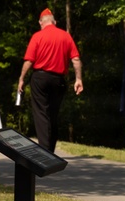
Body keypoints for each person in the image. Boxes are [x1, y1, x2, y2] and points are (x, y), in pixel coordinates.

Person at [17, 8, 83, 152]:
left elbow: (29, 61)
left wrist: (21, 79)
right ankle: (50, 150)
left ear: (41, 22)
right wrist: (78, 79)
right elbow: (76, 59)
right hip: (58, 80)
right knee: (53, 114)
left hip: (40, 78)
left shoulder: (37, 36)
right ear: (54, 22)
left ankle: (44, 151)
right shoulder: (65, 36)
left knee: (41, 113)